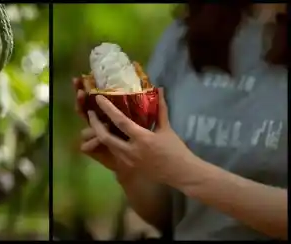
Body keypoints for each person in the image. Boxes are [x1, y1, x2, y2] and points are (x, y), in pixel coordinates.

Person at [73, 3, 287, 241]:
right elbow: (170, 214)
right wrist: (130, 169)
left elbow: (181, 173)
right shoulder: (183, 37)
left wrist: (186, 172)